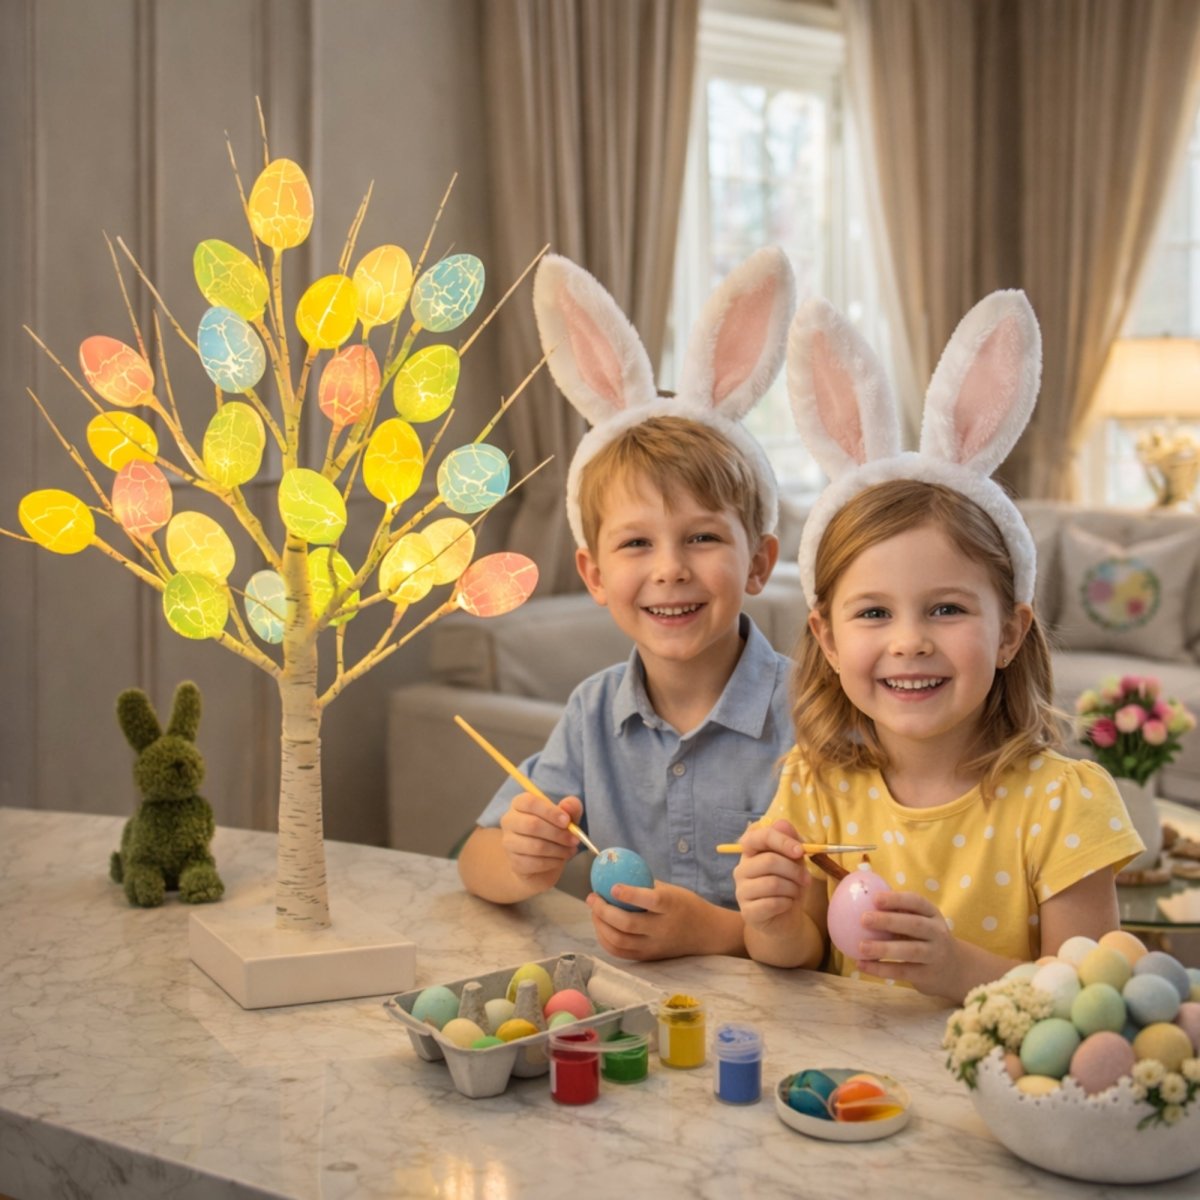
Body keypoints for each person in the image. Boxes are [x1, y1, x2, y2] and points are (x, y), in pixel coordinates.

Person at [733, 291, 1144, 1003]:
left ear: (1011, 632)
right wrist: (769, 915)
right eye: (873, 613)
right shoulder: (812, 786)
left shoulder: (1063, 805)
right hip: (847, 1102)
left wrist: (956, 969)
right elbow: (794, 959)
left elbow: (1091, 1000)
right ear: (827, 640)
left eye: (947, 609)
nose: (910, 642)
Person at [458, 247, 797, 960]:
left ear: (761, 562)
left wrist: (717, 933)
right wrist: (521, 859)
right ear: (594, 574)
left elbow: (833, 930)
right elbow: (475, 863)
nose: (669, 571)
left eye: (702, 537)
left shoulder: (810, 714)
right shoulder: (592, 716)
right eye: (636, 545)